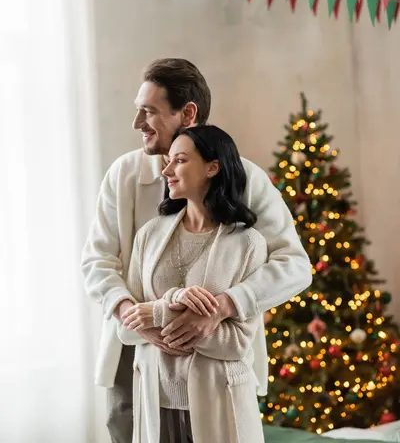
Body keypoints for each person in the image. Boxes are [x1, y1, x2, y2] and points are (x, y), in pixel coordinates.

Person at [81, 58, 312, 443]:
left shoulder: (245, 178)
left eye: (149, 111)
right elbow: (98, 261)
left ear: (187, 113)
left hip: (216, 361)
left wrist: (225, 306)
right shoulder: (124, 175)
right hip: (135, 358)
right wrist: (136, 318)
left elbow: (294, 265)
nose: (137, 124)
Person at [117, 125, 269, 443]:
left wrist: (161, 314)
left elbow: (239, 342)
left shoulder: (247, 243)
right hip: (156, 404)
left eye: (180, 161)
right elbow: (128, 328)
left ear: (212, 167)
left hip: (221, 402)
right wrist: (173, 305)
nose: (167, 169)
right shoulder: (149, 235)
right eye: (169, 160)